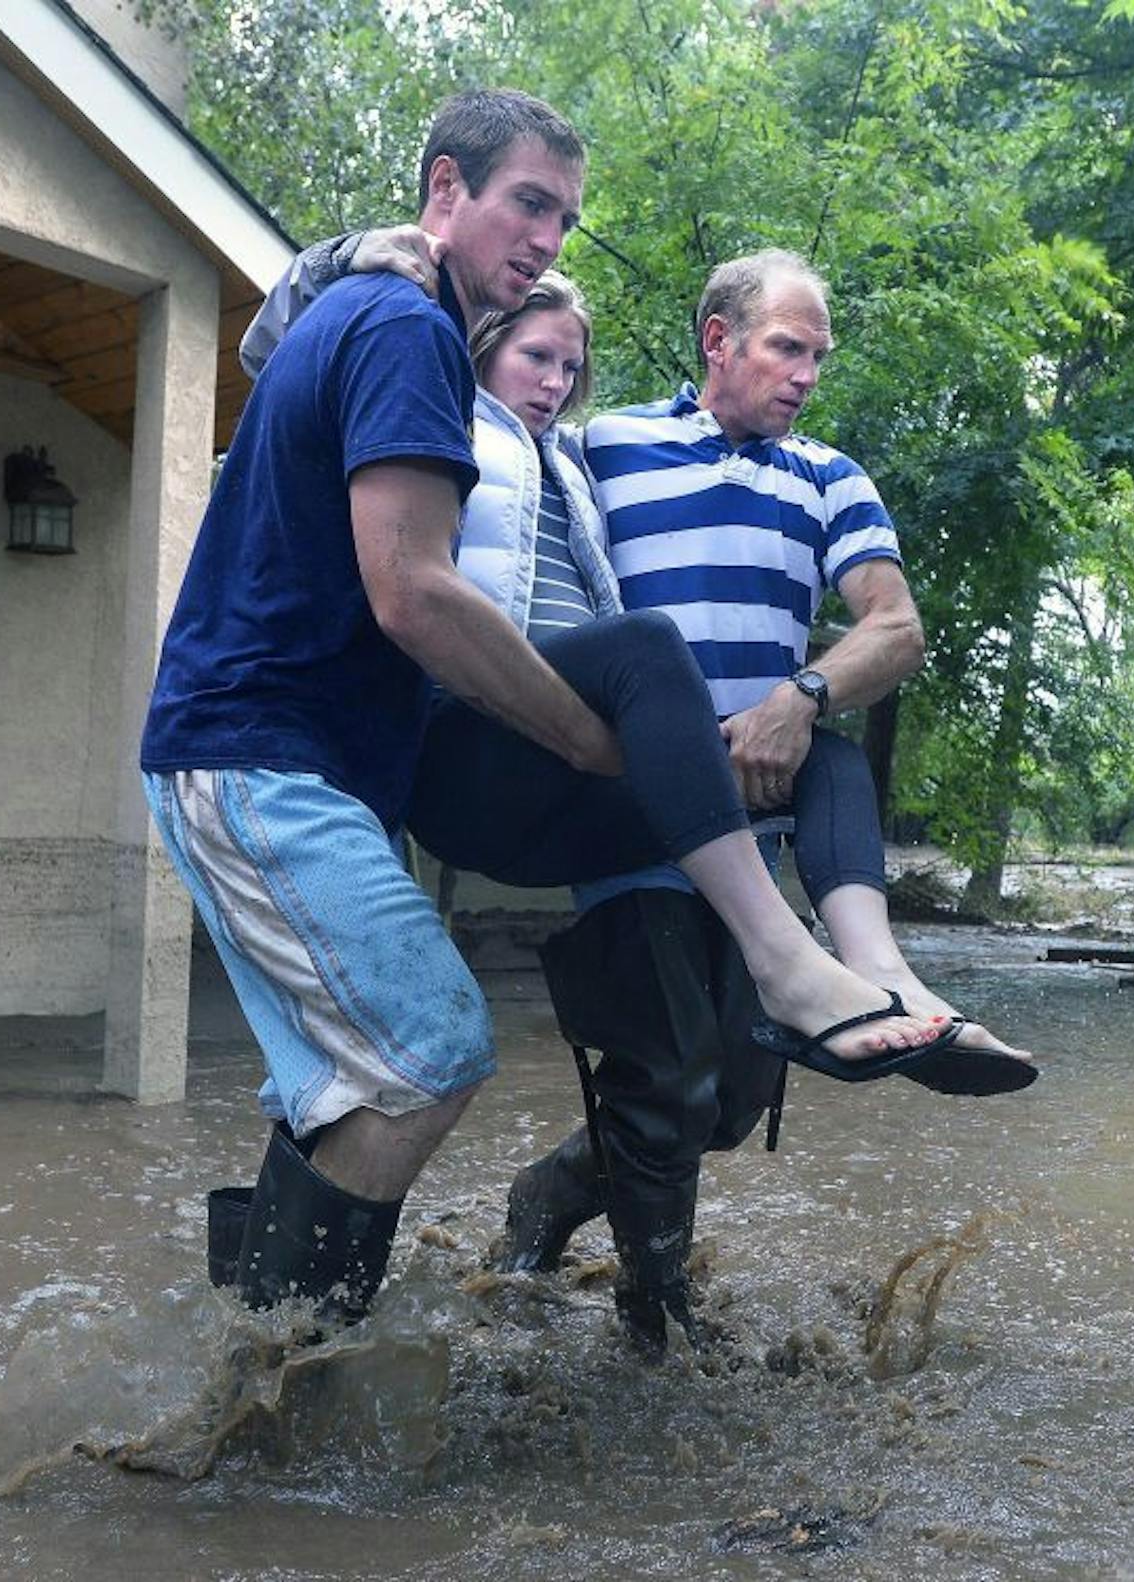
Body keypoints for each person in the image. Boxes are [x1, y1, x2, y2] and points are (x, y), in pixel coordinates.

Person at [146, 94, 950, 1328]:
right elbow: (414, 590)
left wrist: (748, 718)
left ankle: (249, 1355)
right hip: (261, 750)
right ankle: (287, 1373)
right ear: (444, 190)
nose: (550, 239)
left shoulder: (512, 400)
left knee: (348, 1079)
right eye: (529, 203)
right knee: (428, 1046)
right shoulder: (407, 328)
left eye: (566, 219)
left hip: (357, 763)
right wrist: (584, 738)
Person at [246, 239, 1037, 1351]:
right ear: (718, 341)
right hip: (624, 821)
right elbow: (480, 489)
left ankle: (558, 1184)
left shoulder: (830, 475)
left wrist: (800, 698)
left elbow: (895, 628)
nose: (808, 372)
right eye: (787, 347)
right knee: (664, 1079)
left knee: (729, 1101)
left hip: (747, 821)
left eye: (820, 354)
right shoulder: (598, 447)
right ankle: (658, 1328)